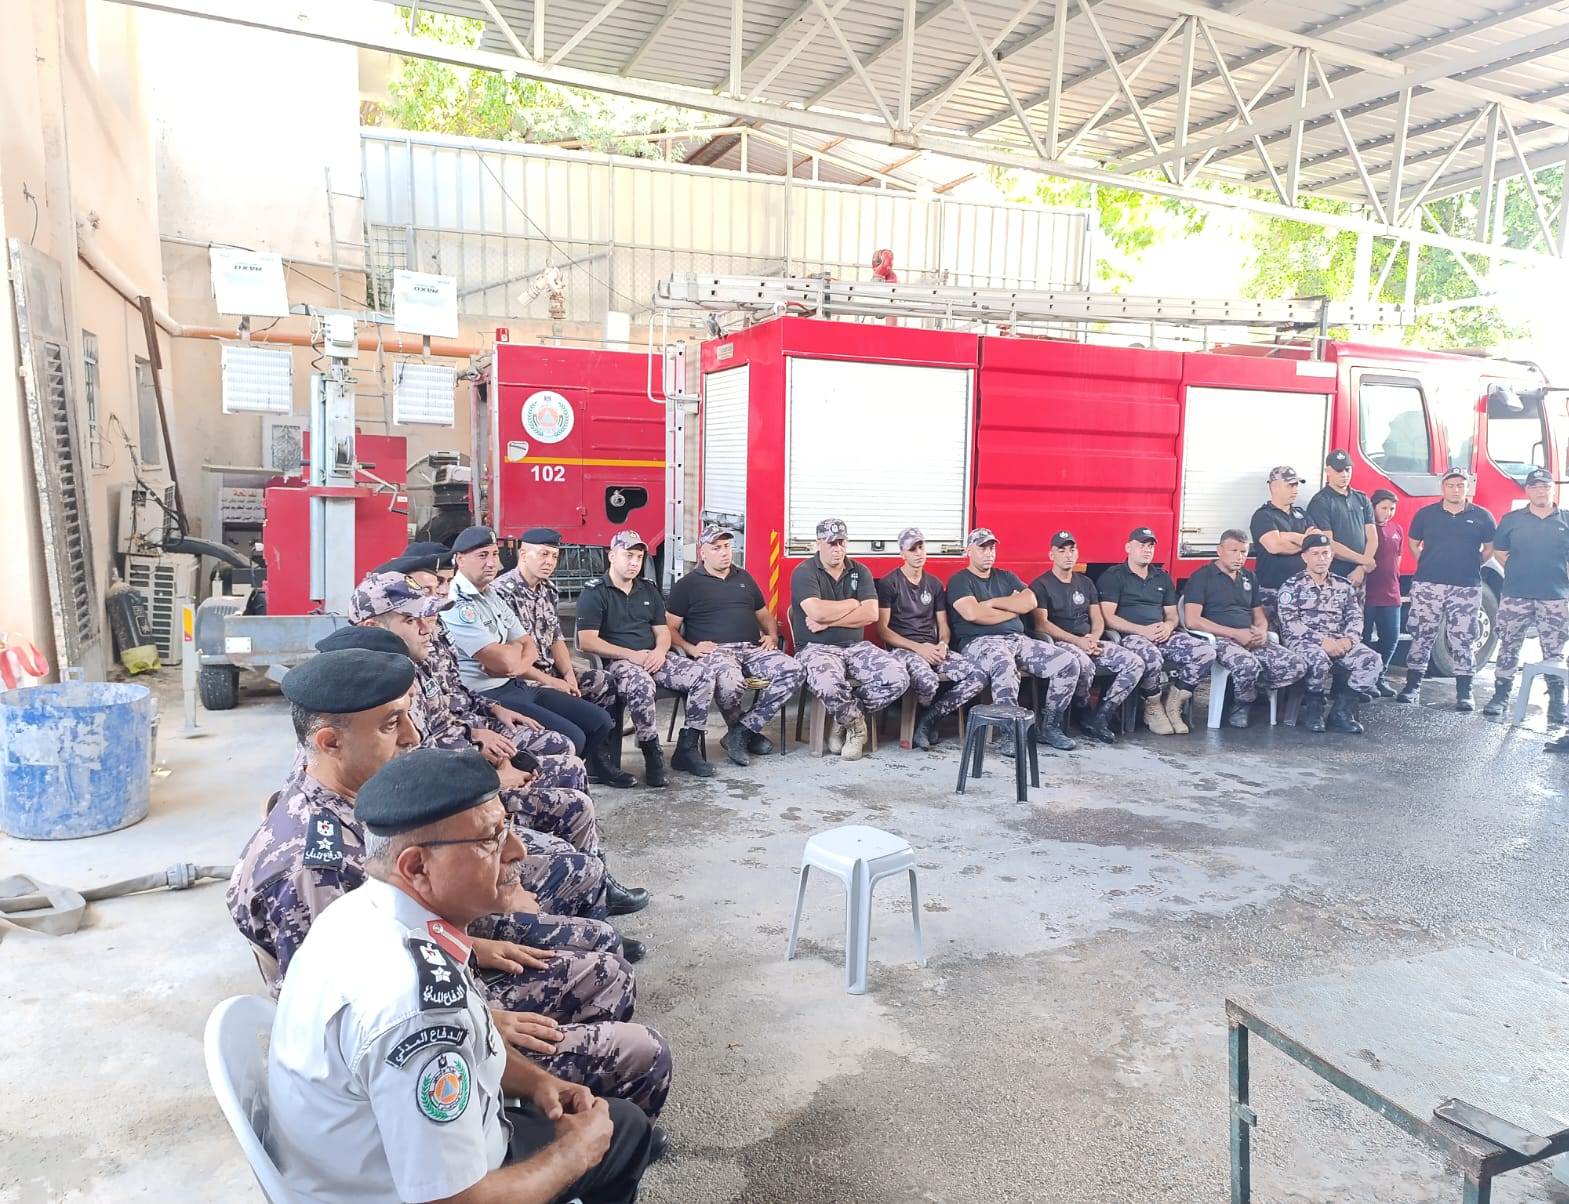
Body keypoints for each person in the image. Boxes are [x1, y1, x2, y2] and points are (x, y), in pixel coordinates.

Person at [228, 653, 672, 1118]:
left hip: (436, 962)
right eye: (391, 724)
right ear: (330, 742)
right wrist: (483, 1022)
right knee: (640, 1044)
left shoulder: (355, 796)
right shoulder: (310, 869)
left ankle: (590, 1117)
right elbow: (351, 1018)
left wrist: (474, 943)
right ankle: (568, 1130)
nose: (412, 736)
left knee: (608, 967)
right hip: (409, 1039)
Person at [266, 746, 665, 1203]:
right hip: (405, 1191)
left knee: (618, 1122)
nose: (516, 851)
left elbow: (477, 1043)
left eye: (506, 829)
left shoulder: (361, 910)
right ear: (417, 866)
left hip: (380, 1158)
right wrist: (575, 1155)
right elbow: (453, 1200)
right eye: (490, 839)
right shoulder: (416, 1009)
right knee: (624, 1131)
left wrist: (540, 1083)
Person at [344, 572, 649, 922]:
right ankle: (578, 906)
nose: (428, 627)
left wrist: (486, 726)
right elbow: (414, 769)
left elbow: (448, 712)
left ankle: (592, 893)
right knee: (570, 820)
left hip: (463, 759)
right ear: (371, 626)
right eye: (412, 620)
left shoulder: (412, 664)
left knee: (569, 767)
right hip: (446, 810)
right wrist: (491, 776)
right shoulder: (372, 695)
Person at [444, 526, 636, 787]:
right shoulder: (463, 601)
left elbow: (531, 644)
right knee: (573, 737)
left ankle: (585, 769)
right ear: (460, 559)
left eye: (494, 554)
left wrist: (560, 673)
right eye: (482, 555)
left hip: (517, 681)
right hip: (494, 692)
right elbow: (504, 660)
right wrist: (518, 662)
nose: (491, 563)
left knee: (600, 721)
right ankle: (549, 786)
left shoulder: (491, 594)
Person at [576, 530, 718, 783]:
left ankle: (687, 748)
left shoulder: (648, 589)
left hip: (654, 657)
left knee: (703, 675)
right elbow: (586, 640)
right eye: (628, 555)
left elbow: (662, 631)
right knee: (642, 685)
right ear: (612, 556)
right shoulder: (595, 592)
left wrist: (660, 652)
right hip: (619, 662)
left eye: (639, 557)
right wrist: (632, 656)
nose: (634, 563)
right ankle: (652, 754)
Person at [665, 525, 804, 767]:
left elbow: (764, 614)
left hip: (752, 649)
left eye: (727, 546)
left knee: (794, 670)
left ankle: (742, 731)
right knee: (730, 682)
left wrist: (772, 635)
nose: (724, 552)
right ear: (702, 553)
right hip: (716, 652)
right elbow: (668, 628)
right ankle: (745, 734)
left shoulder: (744, 577)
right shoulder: (687, 585)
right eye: (716, 548)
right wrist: (690, 648)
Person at [946, 528, 1080, 755]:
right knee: (1004, 664)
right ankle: (1009, 733)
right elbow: (972, 614)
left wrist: (992, 604)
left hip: (1017, 639)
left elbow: (1030, 602)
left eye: (992, 548)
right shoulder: (960, 581)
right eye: (982, 548)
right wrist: (1012, 609)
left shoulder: (1006, 577)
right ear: (969, 551)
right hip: (980, 642)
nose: (988, 553)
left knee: (1068, 662)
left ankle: (1049, 727)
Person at [787, 518, 910, 760]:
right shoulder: (804, 572)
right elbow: (816, 612)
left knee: (899, 677)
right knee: (827, 684)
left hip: (855, 647)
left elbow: (871, 614)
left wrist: (829, 622)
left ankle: (842, 719)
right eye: (831, 543)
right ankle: (856, 728)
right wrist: (853, 603)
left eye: (841, 542)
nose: (837, 548)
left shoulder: (860, 571)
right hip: (816, 648)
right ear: (818, 543)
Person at [874, 527, 987, 750]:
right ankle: (920, 720)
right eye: (912, 549)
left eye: (921, 547)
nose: (919, 553)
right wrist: (919, 648)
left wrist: (943, 644)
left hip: (932, 648)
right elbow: (883, 631)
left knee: (978, 676)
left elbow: (943, 625)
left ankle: (930, 719)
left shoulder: (934, 584)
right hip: (904, 649)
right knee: (927, 681)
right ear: (902, 553)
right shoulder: (889, 583)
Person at [1027, 530, 1145, 744]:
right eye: (1062, 550)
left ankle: (1100, 717)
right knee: (1085, 665)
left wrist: (1094, 638)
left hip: (1090, 640)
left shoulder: (1086, 583)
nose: (1068, 555)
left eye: (1072, 550)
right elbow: (1041, 624)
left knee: (1134, 663)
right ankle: (1070, 716)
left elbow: (1097, 617)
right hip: (1061, 643)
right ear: (1051, 554)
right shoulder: (1041, 585)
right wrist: (1078, 642)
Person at [1096, 527, 1215, 736]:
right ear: (1128, 547)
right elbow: (1107, 617)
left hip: (1162, 633)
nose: (1147, 550)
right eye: (1141, 545)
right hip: (1130, 636)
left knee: (1205, 652)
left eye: (1150, 546)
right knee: (1152, 657)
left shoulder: (1161, 577)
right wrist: (1142, 630)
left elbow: (1172, 614)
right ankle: (1152, 705)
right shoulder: (1114, 576)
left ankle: (1174, 703)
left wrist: (1168, 626)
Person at [1182, 530, 1306, 728]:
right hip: (1219, 639)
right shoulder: (1202, 577)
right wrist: (1235, 634)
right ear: (1219, 550)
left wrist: (1262, 631)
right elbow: (1192, 621)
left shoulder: (1249, 577)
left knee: (1297, 664)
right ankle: (1242, 703)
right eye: (1234, 551)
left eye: (1243, 552)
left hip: (1250, 637)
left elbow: (1259, 615)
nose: (1239, 557)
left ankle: (1249, 688)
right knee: (1247, 666)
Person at [1397, 469, 1498, 710]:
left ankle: (1464, 692)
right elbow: (1413, 543)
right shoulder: (1426, 514)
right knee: (1422, 635)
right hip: (1429, 585)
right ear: (1443, 488)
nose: (1455, 490)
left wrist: (1471, 564)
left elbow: (1489, 548)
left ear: (1467, 488)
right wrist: (1428, 562)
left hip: (1465, 586)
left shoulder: (1482, 516)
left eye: (1460, 485)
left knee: (1463, 638)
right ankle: (1412, 687)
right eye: (1450, 485)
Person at [1276, 533, 1385, 734]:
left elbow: (1356, 617)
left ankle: (1341, 711)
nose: (1321, 558)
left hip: (1339, 640)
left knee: (1372, 660)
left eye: (1325, 553)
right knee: (1318, 659)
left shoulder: (1343, 585)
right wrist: (1322, 642)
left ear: (1332, 556)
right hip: (1303, 641)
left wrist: (1348, 640)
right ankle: (1314, 709)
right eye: (1315, 554)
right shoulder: (1292, 586)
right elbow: (1290, 623)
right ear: (1304, 557)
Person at [1486, 466, 1569, 723]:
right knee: (1509, 645)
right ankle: (1500, 696)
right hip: (1516, 594)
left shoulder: (1566, 519)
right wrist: (1518, 569)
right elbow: (1500, 552)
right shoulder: (1512, 520)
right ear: (1527, 491)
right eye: (1534, 487)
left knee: (1554, 651)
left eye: (1545, 486)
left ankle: (1557, 702)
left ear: (1552, 489)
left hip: (1554, 596)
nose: (1540, 491)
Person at [1250, 466, 1320, 626]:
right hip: (1273, 592)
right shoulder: (1263, 516)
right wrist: (1304, 540)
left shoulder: (1302, 514)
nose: (1295, 490)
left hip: (1303, 592)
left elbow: (1318, 543)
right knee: (1274, 637)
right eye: (1290, 485)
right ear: (1274, 487)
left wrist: (1287, 536)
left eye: (1296, 485)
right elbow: (1275, 546)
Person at [1305, 449, 1377, 596]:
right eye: (1339, 470)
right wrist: (1365, 561)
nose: (1344, 474)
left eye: (1347, 469)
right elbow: (1328, 543)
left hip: (1359, 576)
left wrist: (1362, 568)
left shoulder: (1362, 499)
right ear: (1328, 471)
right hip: (1334, 575)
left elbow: (1372, 538)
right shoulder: (1321, 501)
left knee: (1357, 611)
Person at [1362, 489, 1404, 696]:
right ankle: (1363, 680)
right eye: (1383, 508)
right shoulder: (1365, 529)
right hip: (1368, 592)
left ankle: (1380, 676)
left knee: (1391, 637)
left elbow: (1398, 558)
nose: (1388, 513)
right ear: (1373, 507)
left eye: (1392, 508)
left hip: (1391, 592)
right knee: (1364, 638)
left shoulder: (1397, 528)